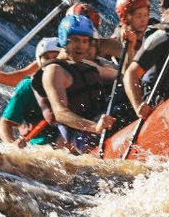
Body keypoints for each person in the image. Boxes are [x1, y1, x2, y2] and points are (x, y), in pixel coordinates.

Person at [41, 13, 118, 153]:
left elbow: (122, 77)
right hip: (82, 135)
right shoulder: (54, 71)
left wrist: (130, 49)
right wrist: (94, 126)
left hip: (102, 117)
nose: (81, 46)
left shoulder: (84, 64)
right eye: (75, 40)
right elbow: (60, 113)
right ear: (64, 40)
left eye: (85, 41)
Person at [0, 37, 61, 147]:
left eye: (56, 57)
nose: (51, 62)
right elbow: (5, 123)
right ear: (39, 61)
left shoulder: (73, 81)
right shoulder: (28, 87)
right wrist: (11, 144)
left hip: (66, 141)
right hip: (39, 146)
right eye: (46, 58)